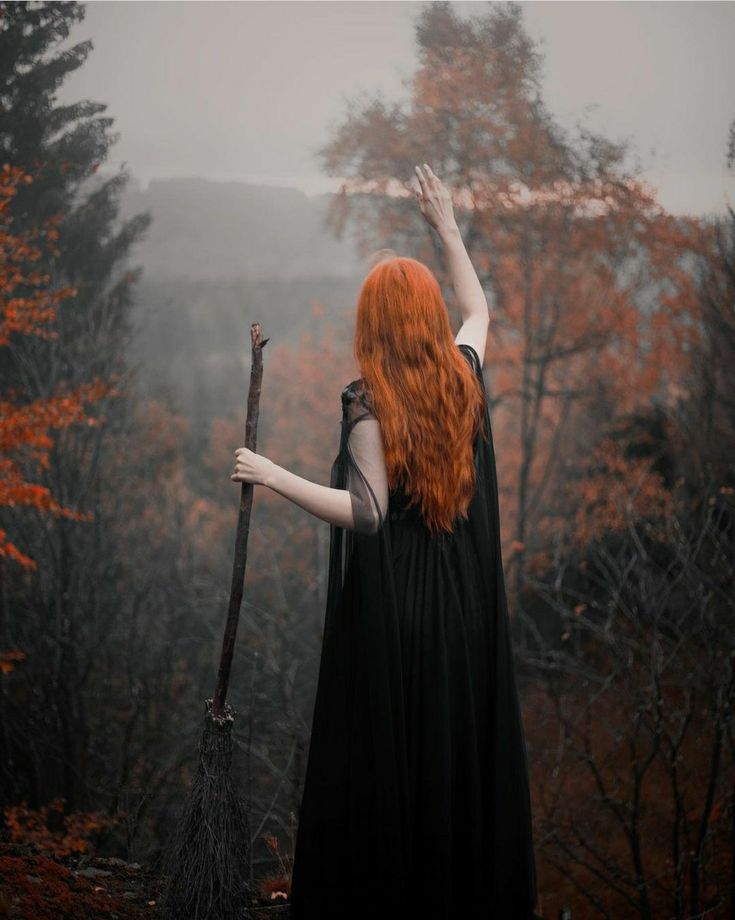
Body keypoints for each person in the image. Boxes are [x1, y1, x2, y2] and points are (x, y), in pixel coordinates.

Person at [230, 164, 538, 919]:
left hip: (399, 607)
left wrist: (272, 474)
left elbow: (367, 513)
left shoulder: (369, 401)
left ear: (373, 327)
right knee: (449, 752)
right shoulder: (461, 377)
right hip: (462, 606)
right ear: (425, 318)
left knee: (391, 759)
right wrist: (448, 229)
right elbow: (479, 309)